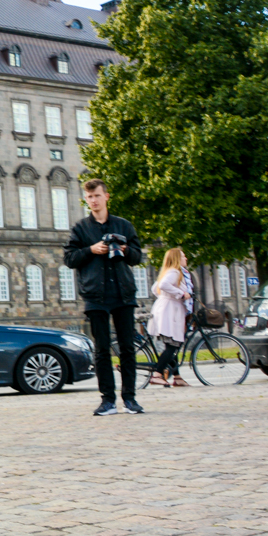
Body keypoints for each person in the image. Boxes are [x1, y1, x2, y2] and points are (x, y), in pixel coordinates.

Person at [63, 178, 145, 416]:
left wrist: (125, 249)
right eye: (89, 197)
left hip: (123, 292)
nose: (94, 201)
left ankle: (129, 398)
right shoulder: (80, 228)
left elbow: (138, 256)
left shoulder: (124, 225)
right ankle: (107, 400)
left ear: (106, 196)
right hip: (95, 295)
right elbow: (69, 259)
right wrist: (91, 250)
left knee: (128, 348)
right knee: (101, 350)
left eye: (97, 196)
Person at [147, 247, 190, 387]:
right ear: (177, 259)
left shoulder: (168, 271)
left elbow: (155, 288)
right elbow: (164, 285)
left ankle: (177, 377)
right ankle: (157, 374)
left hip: (166, 308)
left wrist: (167, 296)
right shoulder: (175, 272)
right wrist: (180, 294)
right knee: (172, 345)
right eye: (183, 256)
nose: (186, 259)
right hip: (169, 311)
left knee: (171, 345)